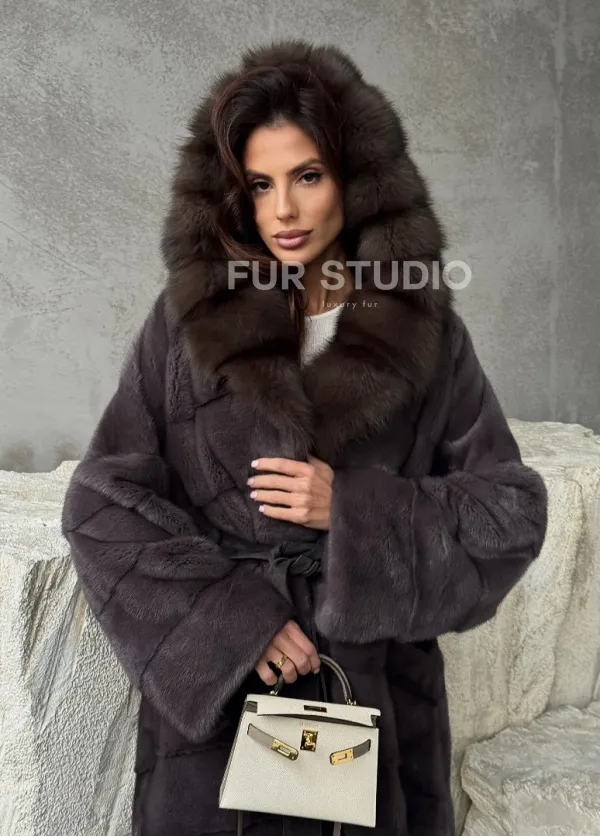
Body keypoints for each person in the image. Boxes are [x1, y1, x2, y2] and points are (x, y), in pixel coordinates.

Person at [61, 39, 548, 836]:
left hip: (373, 705)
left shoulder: (425, 334)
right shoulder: (188, 325)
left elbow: (509, 513)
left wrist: (354, 513)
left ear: (355, 179)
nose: (283, 209)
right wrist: (230, 622)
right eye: (261, 183)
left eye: (308, 176)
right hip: (220, 725)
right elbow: (102, 501)